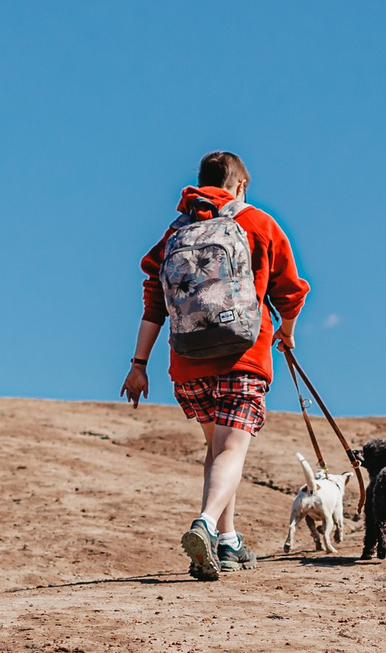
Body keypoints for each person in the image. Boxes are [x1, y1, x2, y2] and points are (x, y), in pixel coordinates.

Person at [121, 151, 310, 581]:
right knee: (231, 451)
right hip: (242, 358)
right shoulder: (258, 223)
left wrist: (138, 364)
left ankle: (227, 541)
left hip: (188, 364)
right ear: (239, 186)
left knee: (217, 451)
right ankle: (205, 524)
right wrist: (288, 331)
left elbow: (154, 303)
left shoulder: (176, 233)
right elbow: (291, 291)